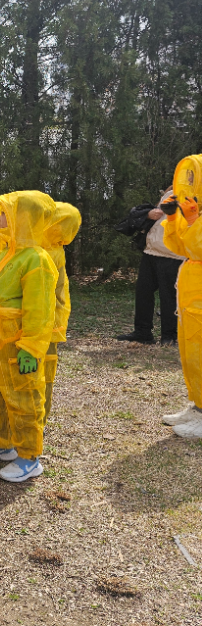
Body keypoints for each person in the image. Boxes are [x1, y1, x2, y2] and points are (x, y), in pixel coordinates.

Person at [0, 191, 57, 483]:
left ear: (24, 218)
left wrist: (30, 347)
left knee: (23, 396)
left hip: (15, 339)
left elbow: (40, 309)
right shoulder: (4, 251)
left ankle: (30, 457)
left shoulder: (37, 259)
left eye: (6, 213)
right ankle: (1, 442)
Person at [161, 156, 202, 439]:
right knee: (191, 351)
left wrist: (191, 220)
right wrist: (174, 217)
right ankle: (198, 406)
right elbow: (180, 246)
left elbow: (198, 245)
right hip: (191, 286)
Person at [116, 188, 184, 346]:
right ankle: (143, 332)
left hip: (172, 254)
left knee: (169, 297)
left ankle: (170, 336)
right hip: (151, 250)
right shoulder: (172, 190)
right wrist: (149, 214)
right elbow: (157, 213)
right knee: (143, 292)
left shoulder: (195, 194)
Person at [42, 202, 82, 423]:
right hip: (41, 320)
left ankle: (39, 416)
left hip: (47, 322)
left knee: (44, 372)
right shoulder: (47, 249)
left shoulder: (50, 253)